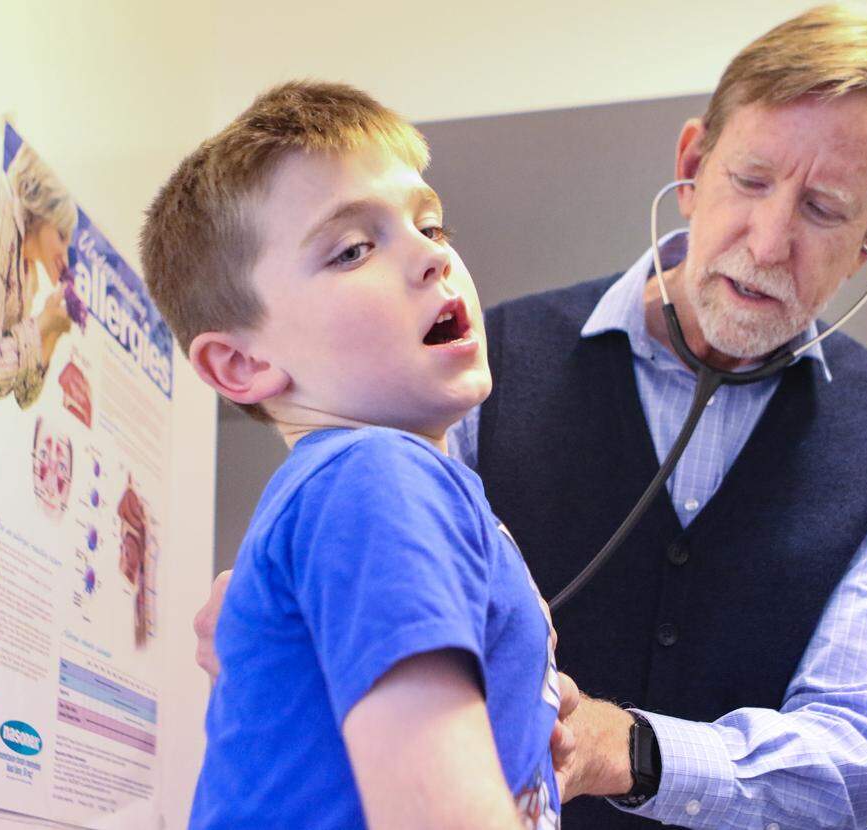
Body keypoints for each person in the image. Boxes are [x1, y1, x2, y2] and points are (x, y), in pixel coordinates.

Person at [196, 6, 867, 829]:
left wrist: (630, 750)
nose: (770, 242)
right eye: (750, 180)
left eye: (825, 210)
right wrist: (281, 602)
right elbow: (360, 547)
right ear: (694, 164)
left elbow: (862, 750)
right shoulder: (469, 371)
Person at [140, 81, 573, 829]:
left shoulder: (367, 489)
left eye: (432, 226)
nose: (431, 257)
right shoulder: (376, 478)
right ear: (241, 366)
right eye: (352, 250)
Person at [0, 142, 76, 408]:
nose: (64, 255)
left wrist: (51, 332)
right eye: (60, 236)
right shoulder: (2, 221)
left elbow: (25, 396)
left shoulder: (29, 280)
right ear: (40, 213)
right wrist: (41, 323)